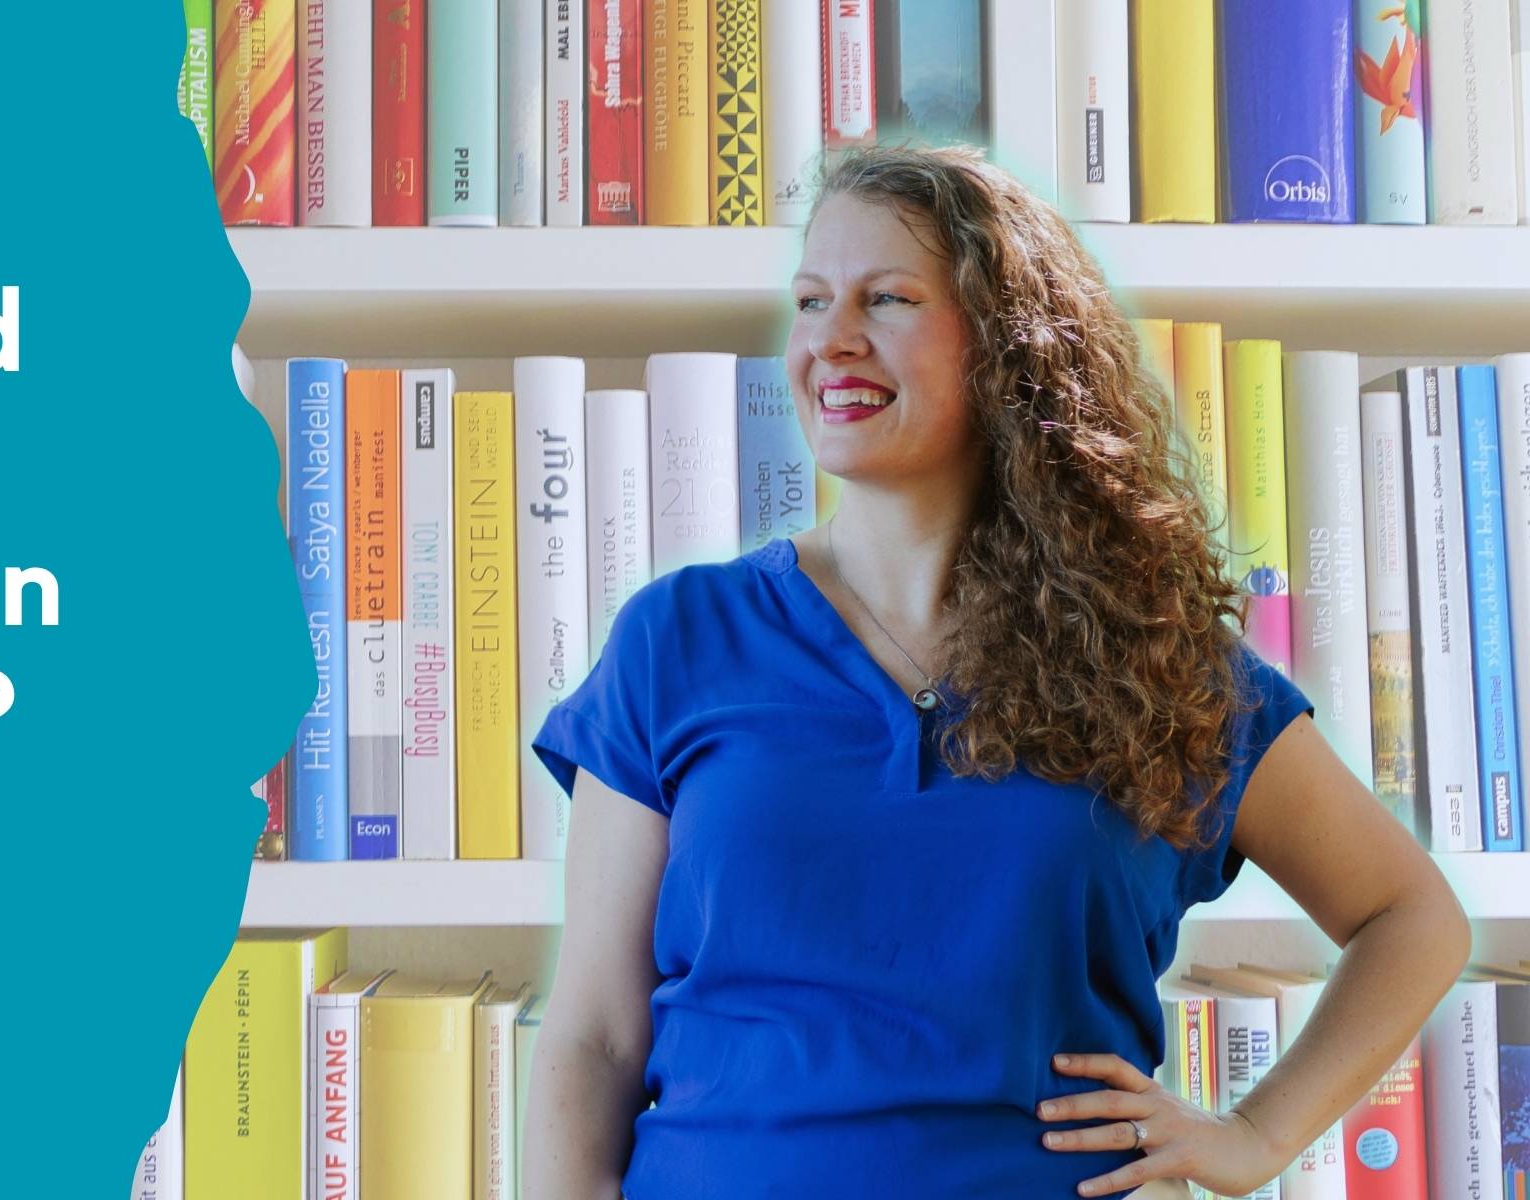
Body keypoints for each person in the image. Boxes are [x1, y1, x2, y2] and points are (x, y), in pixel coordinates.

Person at [520, 144, 1470, 1199]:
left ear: (1005, 349)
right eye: (810, 299)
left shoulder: (1157, 659)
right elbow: (596, 1038)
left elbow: (1411, 917)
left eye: (886, 299)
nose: (829, 340)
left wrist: (1253, 1137)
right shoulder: (678, 638)